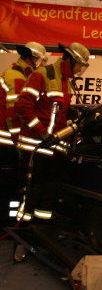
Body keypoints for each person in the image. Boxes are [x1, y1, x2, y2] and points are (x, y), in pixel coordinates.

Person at [14, 42, 90, 222]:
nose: (80, 69)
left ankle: (42, 231)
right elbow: (23, 107)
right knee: (33, 190)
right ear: (71, 60)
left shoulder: (66, 81)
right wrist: (42, 133)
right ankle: (24, 232)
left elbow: (56, 116)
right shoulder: (43, 74)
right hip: (37, 147)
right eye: (80, 64)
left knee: (49, 191)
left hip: (54, 150)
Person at [0, 42, 47, 226]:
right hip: (6, 145)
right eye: (41, 60)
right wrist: (18, 144)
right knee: (7, 188)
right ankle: (6, 224)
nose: (42, 64)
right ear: (34, 58)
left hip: (7, 143)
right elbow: (14, 116)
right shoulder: (17, 77)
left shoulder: (19, 73)